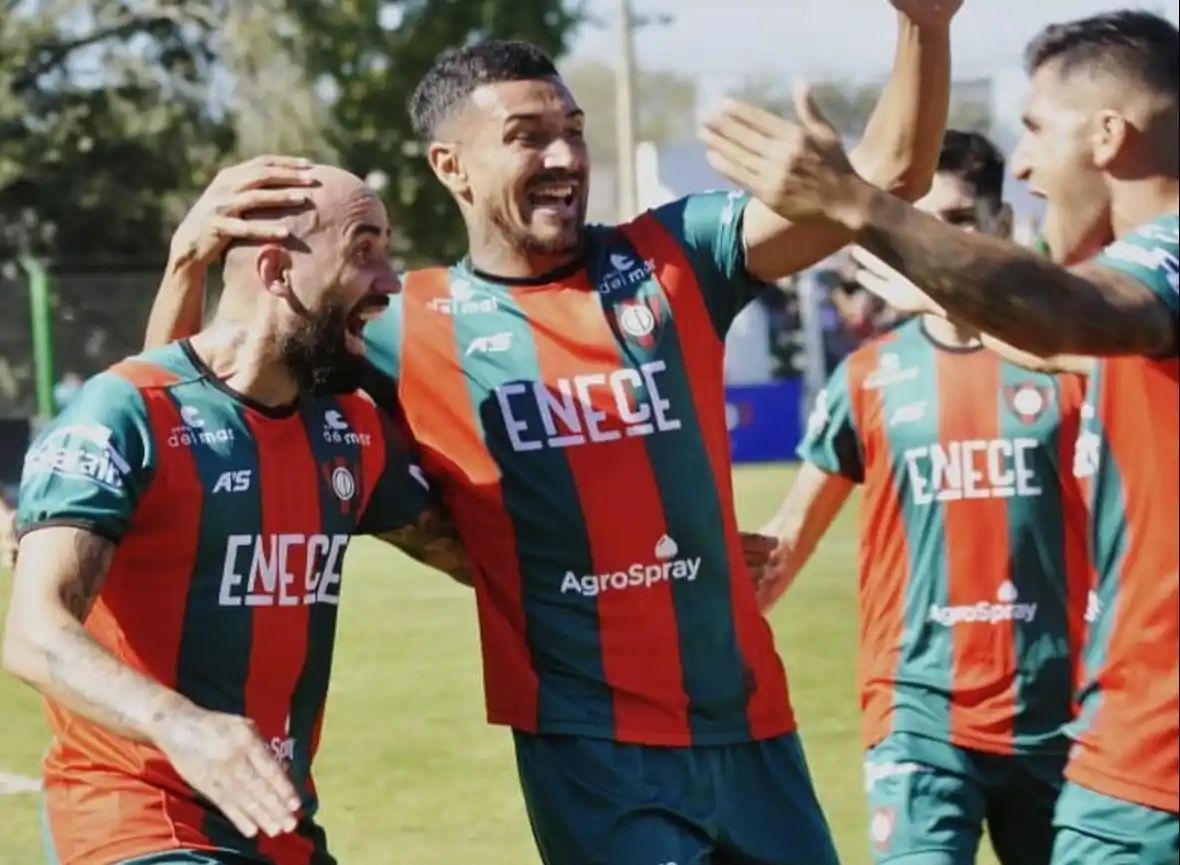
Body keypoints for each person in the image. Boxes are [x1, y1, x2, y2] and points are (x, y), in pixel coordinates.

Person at [146, 4, 959, 861]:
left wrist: (926, 28)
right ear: (451, 166)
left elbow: (889, 179)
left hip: (752, 718)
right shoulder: (402, 324)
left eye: (573, 129)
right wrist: (186, 263)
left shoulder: (675, 254)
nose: (566, 156)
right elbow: (179, 424)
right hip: (592, 747)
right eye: (529, 136)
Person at [702, 9, 1179, 865]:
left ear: (1109, 134)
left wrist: (856, 202)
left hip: (1133, 757)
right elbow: (1054, 331)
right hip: (959, 722)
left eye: (1035, 132)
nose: (1026, 164)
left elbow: (1077, 312)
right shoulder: (883, 373)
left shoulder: (1159, 268)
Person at [2, 160, 469, 865]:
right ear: (277, 271)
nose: (390, 282)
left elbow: (471, 555)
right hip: (137, 820)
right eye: (364, 251)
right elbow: (34, 632)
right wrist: (179, 724)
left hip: (279, 825)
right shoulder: (124, 411)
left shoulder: (351, 429)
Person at [757, 130, 1091, 865]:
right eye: (922, 222)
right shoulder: (868, 379)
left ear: (1003, 226)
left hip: (1059, 712)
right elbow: (788, 539)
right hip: (918, 713)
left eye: (961, 220)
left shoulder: (1074, 363)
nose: (940, 242)